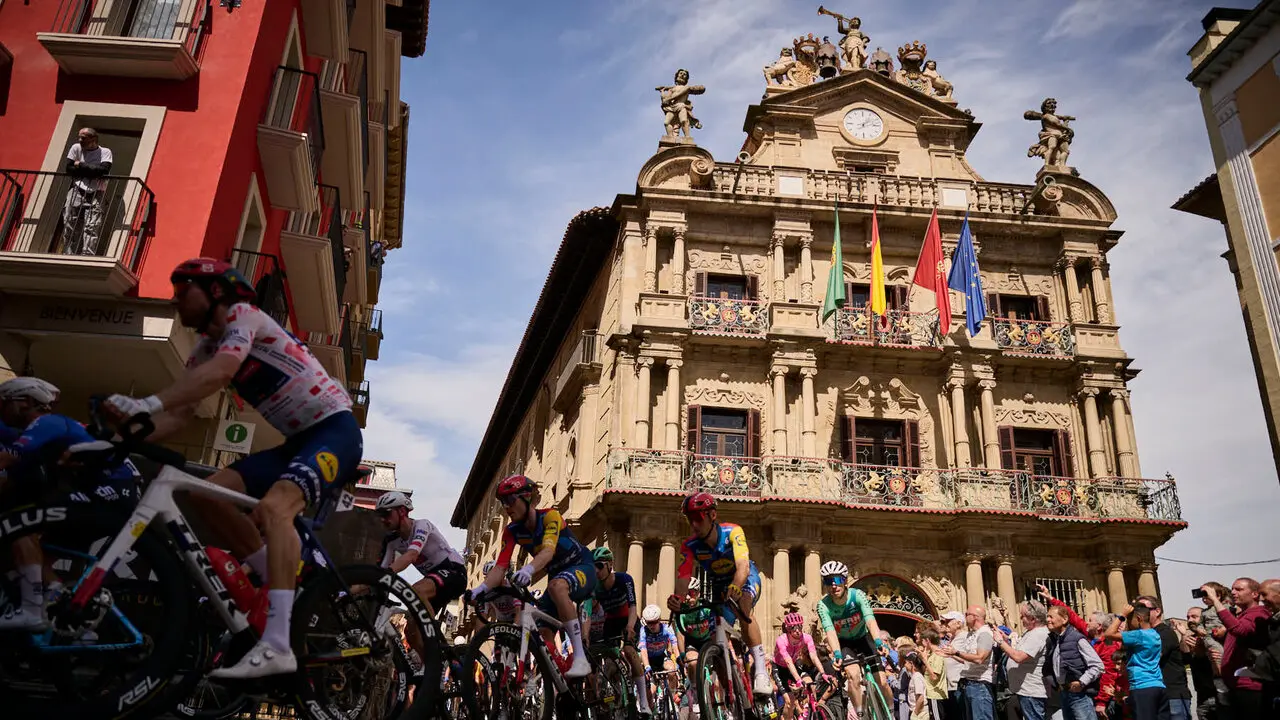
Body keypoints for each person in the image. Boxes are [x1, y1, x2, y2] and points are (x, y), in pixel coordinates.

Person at [103, 259, 363, 677]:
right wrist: (123, 433)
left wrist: (146, 404)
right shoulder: (205, 349)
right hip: (296, 443)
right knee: (203, 493)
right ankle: (278, 585)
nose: (174, 299)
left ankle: (278, 644)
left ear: (216, 292)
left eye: (183, 289)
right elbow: (180, 415)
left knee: (278, 507)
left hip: (335, 431)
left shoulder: (245, 316)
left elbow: (220, 374)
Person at [0, 377, 141, 630]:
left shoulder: (47, 422)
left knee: (18, 522)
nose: (2, 410)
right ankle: (67, 618)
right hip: (107, 493)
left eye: (5, 403)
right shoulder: (46, 429)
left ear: (27, 402)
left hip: (111, 491)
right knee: (35, 559)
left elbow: (6, 460)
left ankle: (32, 610)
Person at [469, 475, 594, 677]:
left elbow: (548, 551)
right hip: (557, 579)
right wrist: (481, 589)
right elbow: (500, 568)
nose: (506, 507)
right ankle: (561, 682)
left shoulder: (550, 517)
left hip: (582, 568)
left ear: (527, 498)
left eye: (510, 500)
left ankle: (580, 658)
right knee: (542, 634)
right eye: (503, 502)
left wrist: (528, 569)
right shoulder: (511, 532)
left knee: (556, 586)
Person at [665, 492, 772, 696]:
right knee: (716, 645)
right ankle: (731, 699)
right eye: (690, 519)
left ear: (712, 515)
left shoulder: (733, 532)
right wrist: (678, 599)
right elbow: (683, 576)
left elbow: (742, 567)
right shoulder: (690, 545)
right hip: (718, 586)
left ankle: (760, 670)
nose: (693, 524)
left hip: (744, 579)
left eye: (698, 518)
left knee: (744, 605)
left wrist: (736, 586)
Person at [375, 491, 465, 657]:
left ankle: (433, 636)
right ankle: (433, 667)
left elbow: (411, 556)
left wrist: (382, 576)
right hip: (434, 582)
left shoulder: (422, 525)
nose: (382, 519)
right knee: (411, 631)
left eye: (386, 513)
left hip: (454, 572)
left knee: (416, 590)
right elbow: (381, 572)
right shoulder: (391, 541)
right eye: (379, 514)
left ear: (402, 511)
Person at [815, 560, 893, 716]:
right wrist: (837, 654)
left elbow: (870, 620)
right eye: (828, 582)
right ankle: (860, 713)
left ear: (844, 581)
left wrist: (878, 641)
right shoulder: (823, 605)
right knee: (853, 675)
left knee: (882, 681)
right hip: (844, 643)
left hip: (863, 638)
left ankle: (891, 710)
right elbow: (830, 631)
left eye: (837, 580)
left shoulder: (858, 595)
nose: (833, 586)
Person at [590, 546, 649, 714]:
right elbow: (586, 612)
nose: (596, 570)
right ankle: (617, 697)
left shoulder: (624, 579)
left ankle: (643, 702)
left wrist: (630, 627)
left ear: (610, 565)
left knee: (630, 651)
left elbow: (632, 607)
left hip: (627, 619)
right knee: (609, 664)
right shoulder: (594, 587)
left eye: (599, 566)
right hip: (611, 622)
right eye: (593, 566)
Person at [1201, 579, 1271, 718]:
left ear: (1255, 594)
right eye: (1232, 589)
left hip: (1250, 688)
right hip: (1235, 687)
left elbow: (1239, 630)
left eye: (1239, 589)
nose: (1233, 592)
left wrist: (1215, 599)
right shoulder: (1241, 616)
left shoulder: (1258, 613)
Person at [1106, 604, 1169, 720]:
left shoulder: (1139, 635)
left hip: (1142, 687)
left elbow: (1109, 634)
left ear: (1139, 619)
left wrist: (1122, 615)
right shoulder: (1155, 634)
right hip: (1158, 685)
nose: (1128, 623)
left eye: (1130, 620)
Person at [1043, 604, 1104, 720]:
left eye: (1051, 617)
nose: (1048, 620)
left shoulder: (1077, 639)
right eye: (1047, 617)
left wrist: (1081, 682)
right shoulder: (1055, 640)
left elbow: (1097, 665)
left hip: (1079, 696)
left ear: (1065, 619)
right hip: (1064, 694)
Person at [1135, 596, 1191, 720]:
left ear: (1157, 611)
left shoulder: (1165, 633)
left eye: (1144, 608)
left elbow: (1149, 658)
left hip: (1172, 696)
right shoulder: (1145, 634)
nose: (1139, 612)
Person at [994, 601, 1050, 720]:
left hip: (1032, 691)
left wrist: (1000, 642)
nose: (1020, 619)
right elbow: (1018, 649)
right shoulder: (1031, 632)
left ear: (1033, 619)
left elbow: (1019, 657)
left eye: (1023, 616)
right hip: (1025, 690)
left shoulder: (1038, 634)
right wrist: (1006, 639)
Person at [938, 606, 996, 720]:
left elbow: (980, 658)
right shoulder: (972, 634)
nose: (965, 617)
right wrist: (952, 654)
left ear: (974, 617)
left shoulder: (984, 633)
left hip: (980, 686)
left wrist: (956, 652)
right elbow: (967, 660)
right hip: (968, 684)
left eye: (967, 614)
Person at [62, 127, 113, 256]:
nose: (80, 140)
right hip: (77, 190)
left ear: (93, 139)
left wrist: (81, 165)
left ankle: (88, 255)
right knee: (69, 222)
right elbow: (69, 169)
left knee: (92, 226)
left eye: (83, 138)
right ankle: (68, 253)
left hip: (97, 192)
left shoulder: (105, 152)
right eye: (79, 137)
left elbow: (103, 171)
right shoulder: (76, 148)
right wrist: (92, 170)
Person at [774, 611, 820, 720]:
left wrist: (823, 673)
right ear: (789, 629)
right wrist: (798, 680)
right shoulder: (782, 640)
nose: (798, 630)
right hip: (780, 668)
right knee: (790, 702)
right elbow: (788, 661)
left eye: (800, 626)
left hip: (794, 665)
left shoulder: (806, 638)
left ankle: (807, 710)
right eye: (794, 628)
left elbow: (813, 656)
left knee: (810, 683)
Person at [639, 603, 680, 674]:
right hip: (648, 658)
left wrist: (679, 661)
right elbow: (643, 651)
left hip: (661, 656)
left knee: (672, 670)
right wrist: (647, 666)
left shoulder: (667, 628)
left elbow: (675, 646)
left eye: (654, 622)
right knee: (651, 684)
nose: (652, 626)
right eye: (649, 623)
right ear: (645, 622)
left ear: (659, 620)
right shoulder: (643, 631)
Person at [901, 652, 928, 720]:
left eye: (906, 663)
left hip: (920, 713)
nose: (904, 665)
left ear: (911, 663)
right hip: (917, 711)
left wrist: (915, 714)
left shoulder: (917, 677)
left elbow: (920, 698)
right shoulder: (914, 676)